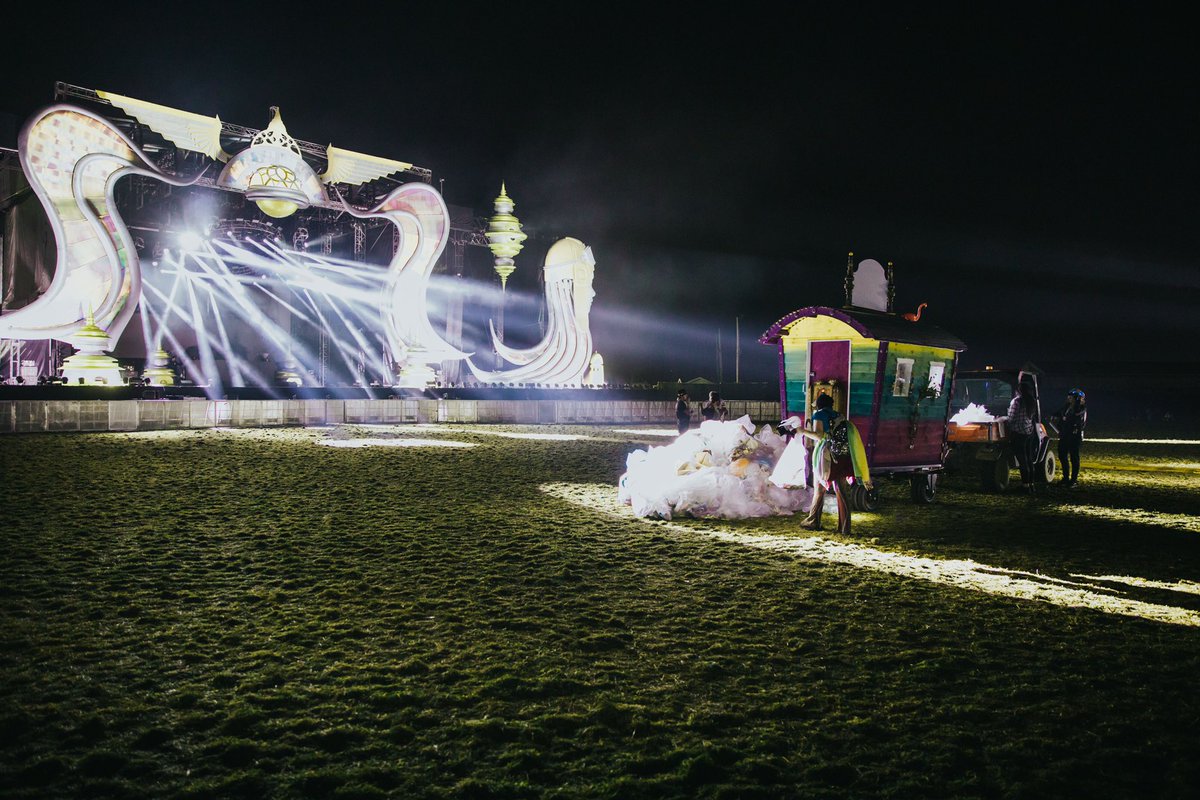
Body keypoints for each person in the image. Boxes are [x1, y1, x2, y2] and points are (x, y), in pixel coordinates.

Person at [798, 393, 862, 533]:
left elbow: (819, 435)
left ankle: (813, 521)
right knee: (841, 491)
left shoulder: (819, 415)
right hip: (842, 456)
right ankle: (845, 527)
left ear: (819, 405)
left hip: (826, 457)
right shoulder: (839, 416)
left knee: (819, 488)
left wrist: (802, 431)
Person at [1001, 375, 1040, 495]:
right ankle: (1031, 485)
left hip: (1018, 434)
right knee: (1028, 460)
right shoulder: (1032, 401)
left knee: (1022, 461)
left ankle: (1025, 486)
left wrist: (1002, 418)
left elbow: (1011, 418)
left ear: (1019, 390)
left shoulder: (1017, 401)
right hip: (1028, 433)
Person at [1053, 388, 1087, 487]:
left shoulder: (1081, 409)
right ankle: (1066, 477)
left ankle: (1073, 480)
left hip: (1074, 436)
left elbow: (1076, 420)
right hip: (1064, 435)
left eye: (1071, 397)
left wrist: (1065, 419)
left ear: (1077, 399)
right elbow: (1059, 413)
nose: (1068, 398)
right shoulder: (1067, 407)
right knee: (1062, 455)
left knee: (1074, 457)